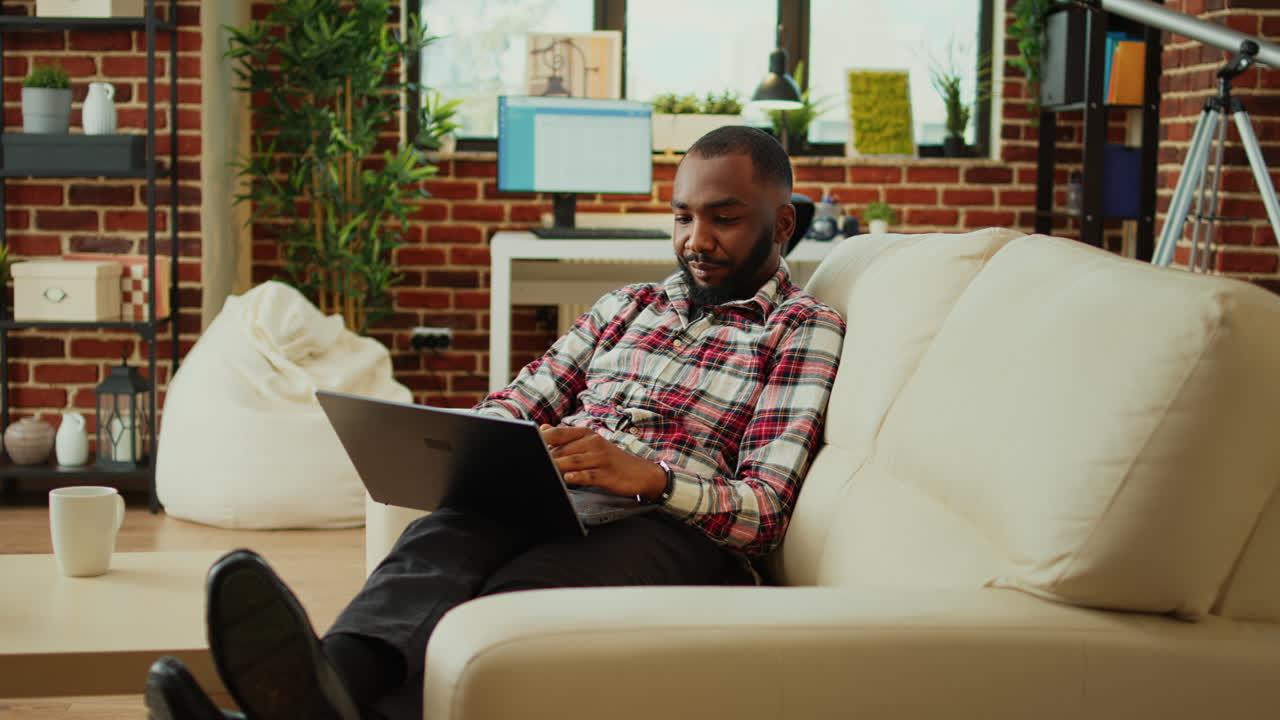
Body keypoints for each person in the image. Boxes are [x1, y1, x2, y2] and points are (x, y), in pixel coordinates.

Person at [142, 125, 846, 720]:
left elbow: (766, 509)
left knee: (509, 603)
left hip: (668, 528)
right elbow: (521, 397)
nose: (696, 240)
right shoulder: (628, 305)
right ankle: (318, 690)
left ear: (780, 223)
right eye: (682, 217)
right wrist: (496, 445)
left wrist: (654, 479)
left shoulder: (800, 328)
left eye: (722, 218)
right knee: (437, 542)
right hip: (556, 489)